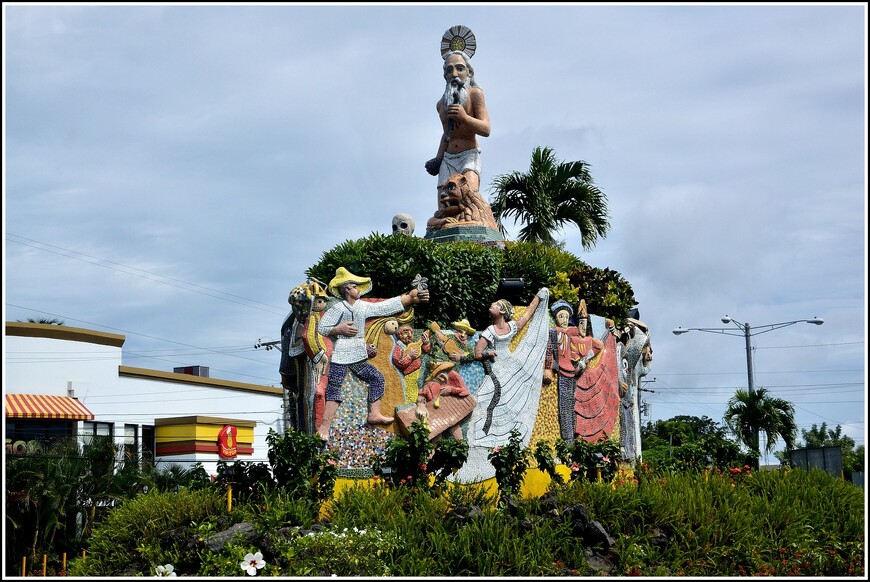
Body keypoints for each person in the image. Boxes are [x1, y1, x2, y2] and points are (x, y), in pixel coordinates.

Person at [316, 267, 430, 443]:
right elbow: (322, 328)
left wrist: (409, 298)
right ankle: (324, 426)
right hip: (341, 354)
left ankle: (374, 414)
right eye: (355, 287)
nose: (358, 290)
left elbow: (383, 307)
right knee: (334, 389)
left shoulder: (362, 307)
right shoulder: (338, 308)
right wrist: (339, 329)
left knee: (376, 378)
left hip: (358, 353)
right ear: (347, 289)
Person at [424, 50, 490, 194]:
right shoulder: (441, 104)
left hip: (468, 156)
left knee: (468, 198)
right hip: (448, 159)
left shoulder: (475, 94)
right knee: (443, 208)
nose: (454, 74)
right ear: (445, 75)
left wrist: (464, 117)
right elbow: (447, 133)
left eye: (460, 69)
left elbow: (486, 129)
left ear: (469, 72)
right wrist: (438, 158)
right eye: (449, 70)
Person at [543, 299, 583, 443]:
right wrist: (548, 368)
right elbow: (549, 351)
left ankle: (574, 434)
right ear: (555, 318)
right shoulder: (553, 332)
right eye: (561, 316)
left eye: (566, 317)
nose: (564, 320)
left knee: (574, 404)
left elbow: (579, 350)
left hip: (574, 372)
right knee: (565, 404)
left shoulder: (573, 333)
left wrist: (581, 363)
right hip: (562, 372)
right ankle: (567, 438)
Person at [414, 360, 474, 442]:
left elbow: (465, 391)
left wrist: (451, 389)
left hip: (451, 410)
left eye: (442, 372)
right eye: (437, 373)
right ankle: (433, 452)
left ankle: (460, 447)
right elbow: (421, 395)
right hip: (436, 415)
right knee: (436, 434)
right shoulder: (430, 385)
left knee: (455, 426)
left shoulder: (453, 375)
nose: (441, 376)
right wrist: (421, 405)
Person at [391, 324, 431, 403]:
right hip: (408, 374)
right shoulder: (399, 347)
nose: (409, 335)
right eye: (406, 332)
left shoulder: (411, 344)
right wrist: (409, 356)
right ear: (400, 335)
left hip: (419, 373)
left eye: (411, 333)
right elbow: (398, 361)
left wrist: (426, 343)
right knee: (409, 389)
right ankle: (410, 403)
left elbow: (425, 351)